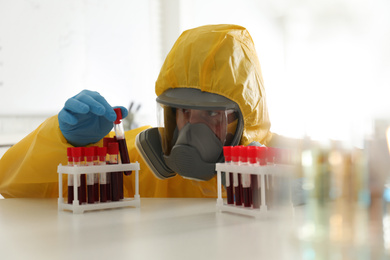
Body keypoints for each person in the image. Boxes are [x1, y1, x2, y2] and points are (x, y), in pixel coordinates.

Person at [0, 24, 296, 199]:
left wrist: (289, 194)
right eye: (182, 111)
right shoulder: (138, 163)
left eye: (210, 115)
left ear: (245, 119)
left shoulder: (286, 162)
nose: (190, 128)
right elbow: (16, 189)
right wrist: (63, 142)